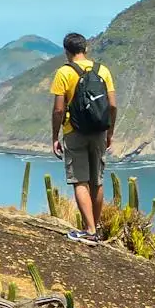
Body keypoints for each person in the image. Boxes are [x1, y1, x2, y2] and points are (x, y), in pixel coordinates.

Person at [50, 32, 116, 242]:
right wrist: (110, 132)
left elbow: (58, 110)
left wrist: (55, 136)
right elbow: (112, 105)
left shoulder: (64, 72)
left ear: (67, 52)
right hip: (99, 131)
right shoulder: (102, 70)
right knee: (97, 181)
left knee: (80, 181)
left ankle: (89, 231)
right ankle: (93, 228)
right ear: (86, 49)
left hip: (74, 132)